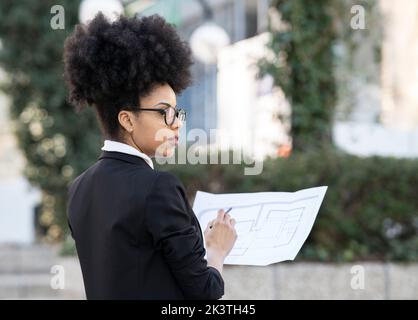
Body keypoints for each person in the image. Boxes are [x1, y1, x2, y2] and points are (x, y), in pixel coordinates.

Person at [64, 13, 237, 300]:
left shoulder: (78, 188)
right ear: (127, 120)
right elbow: (206, 292)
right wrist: (218, 249)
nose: (177, 122)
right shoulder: (158, 187)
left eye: (177, 111)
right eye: (164, 112)